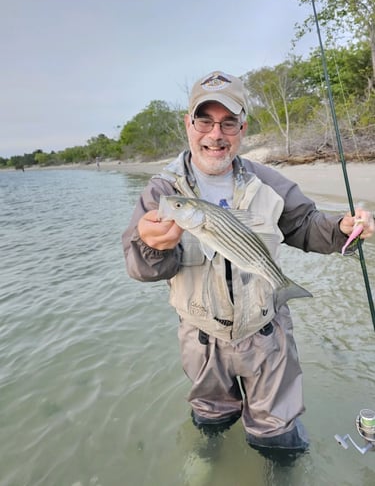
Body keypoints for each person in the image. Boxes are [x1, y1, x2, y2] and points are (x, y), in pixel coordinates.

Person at [122, 70, 374, 458]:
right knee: (210, 423)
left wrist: (342, 227)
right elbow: (141, 267)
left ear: (243, 126)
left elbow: (306, 224)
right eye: (204, 120)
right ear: (188, 123)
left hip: (267, 334)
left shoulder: (268, 181)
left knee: (278, 438)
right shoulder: (163, 191)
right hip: (202, 339)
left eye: (228, 122)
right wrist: (151, 247)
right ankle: (209, 468)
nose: (215, 134)